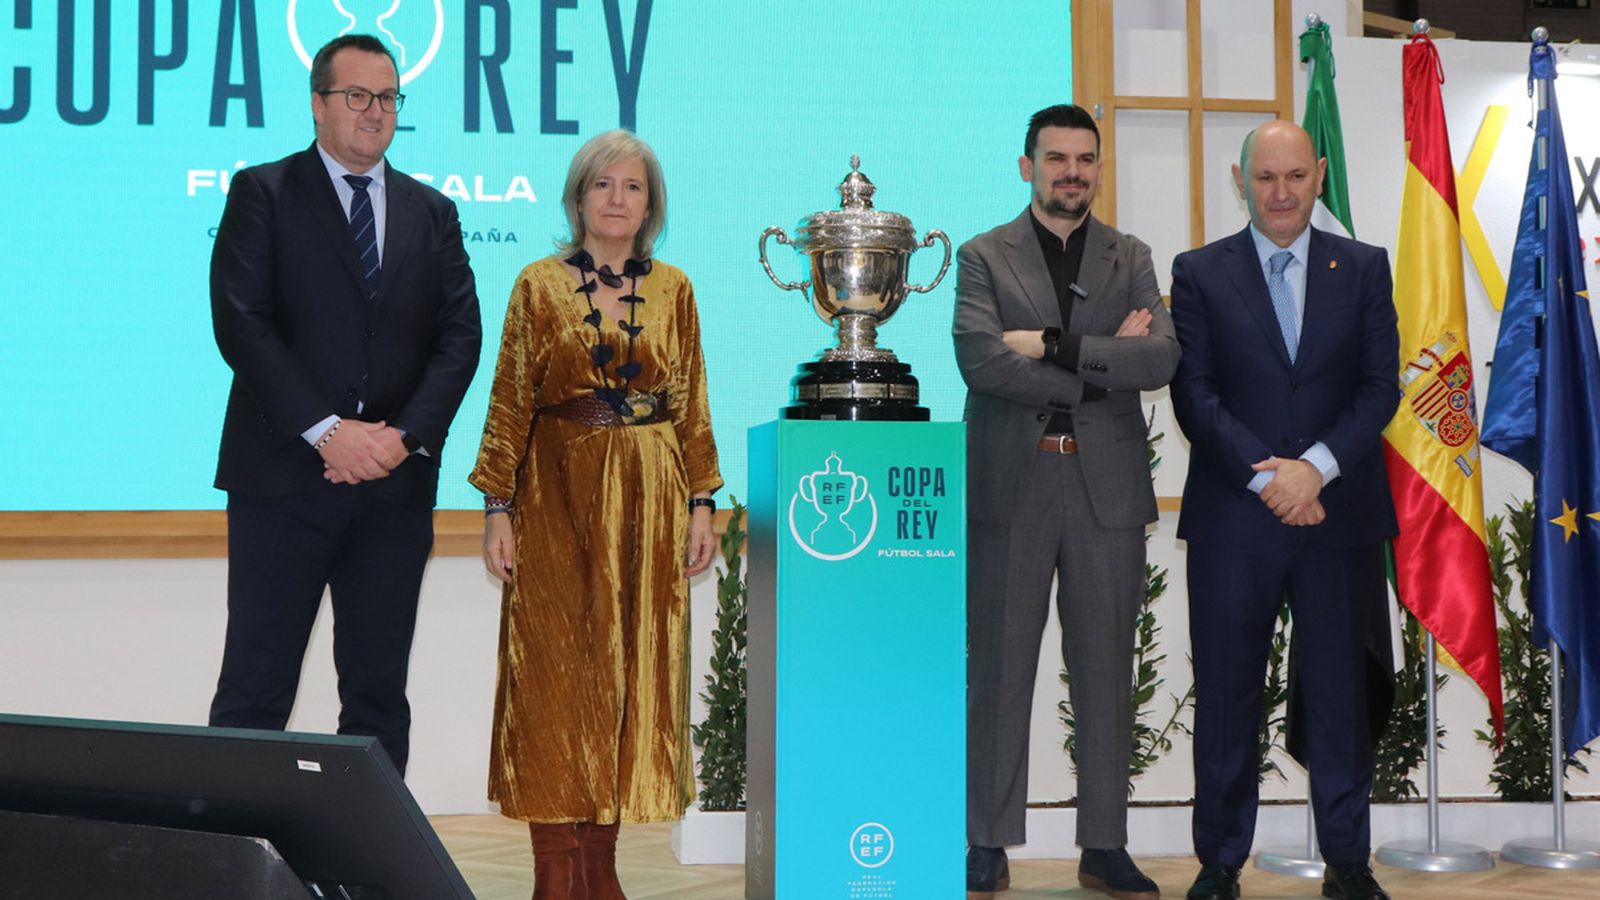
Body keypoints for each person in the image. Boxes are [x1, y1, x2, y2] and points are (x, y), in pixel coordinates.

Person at [207, 34, 482, 777]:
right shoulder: (262, 192)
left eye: (388, 98)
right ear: (318, 105)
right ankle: (237, 868)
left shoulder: (434, 212)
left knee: (377, 699)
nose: (374, 112)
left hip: (393, 493)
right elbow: (242, 322)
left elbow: (460, 339)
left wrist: (402, 439)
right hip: (282, 487)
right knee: (255, 693)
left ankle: (366, 876)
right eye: (357, 96)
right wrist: (328, 432)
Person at [468, 129, 721, 900]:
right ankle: (555, 869)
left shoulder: (675, 288)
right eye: (604, 184)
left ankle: (599, 864)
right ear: (578, 196)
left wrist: (701, 501)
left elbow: (691, 402)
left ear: (652, 204)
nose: (618, 198)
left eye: (634, 187)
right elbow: (510, 398)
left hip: (651, 495)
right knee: (554, 676)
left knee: (626, 677)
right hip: (557, 493)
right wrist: (498, 506)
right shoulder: (537, 285)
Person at [954, 103, 1180, 900]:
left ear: (1098, 169)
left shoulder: (1132, 254)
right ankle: (986, 842)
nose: (1071, 173)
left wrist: (1053, 346)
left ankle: (1105, 845)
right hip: (1012, 487)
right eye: (1056, 159)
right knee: (1000, 671)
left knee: (1105, 670)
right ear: (1027, 165)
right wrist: (1101, 361)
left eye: (1085, 159)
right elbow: (982, 363)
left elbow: (1159, 357)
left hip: (1105, 490)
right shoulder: (982, 255)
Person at [1169, 120, 1399, 900]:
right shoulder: (1199, 272)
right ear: (1241, 182)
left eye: (1295, 175)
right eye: (1265, 177)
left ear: (1320, 175)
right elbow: (1194, 396)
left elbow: (1381, 389)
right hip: (1237, 521)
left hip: (1338, 519)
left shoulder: (1365, 267)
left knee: (1340, 697)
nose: (1280, 192)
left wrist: (1317, 470)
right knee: (1230, 698)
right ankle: (1220, 863)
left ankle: (1348, 862)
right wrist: (1270, 479)